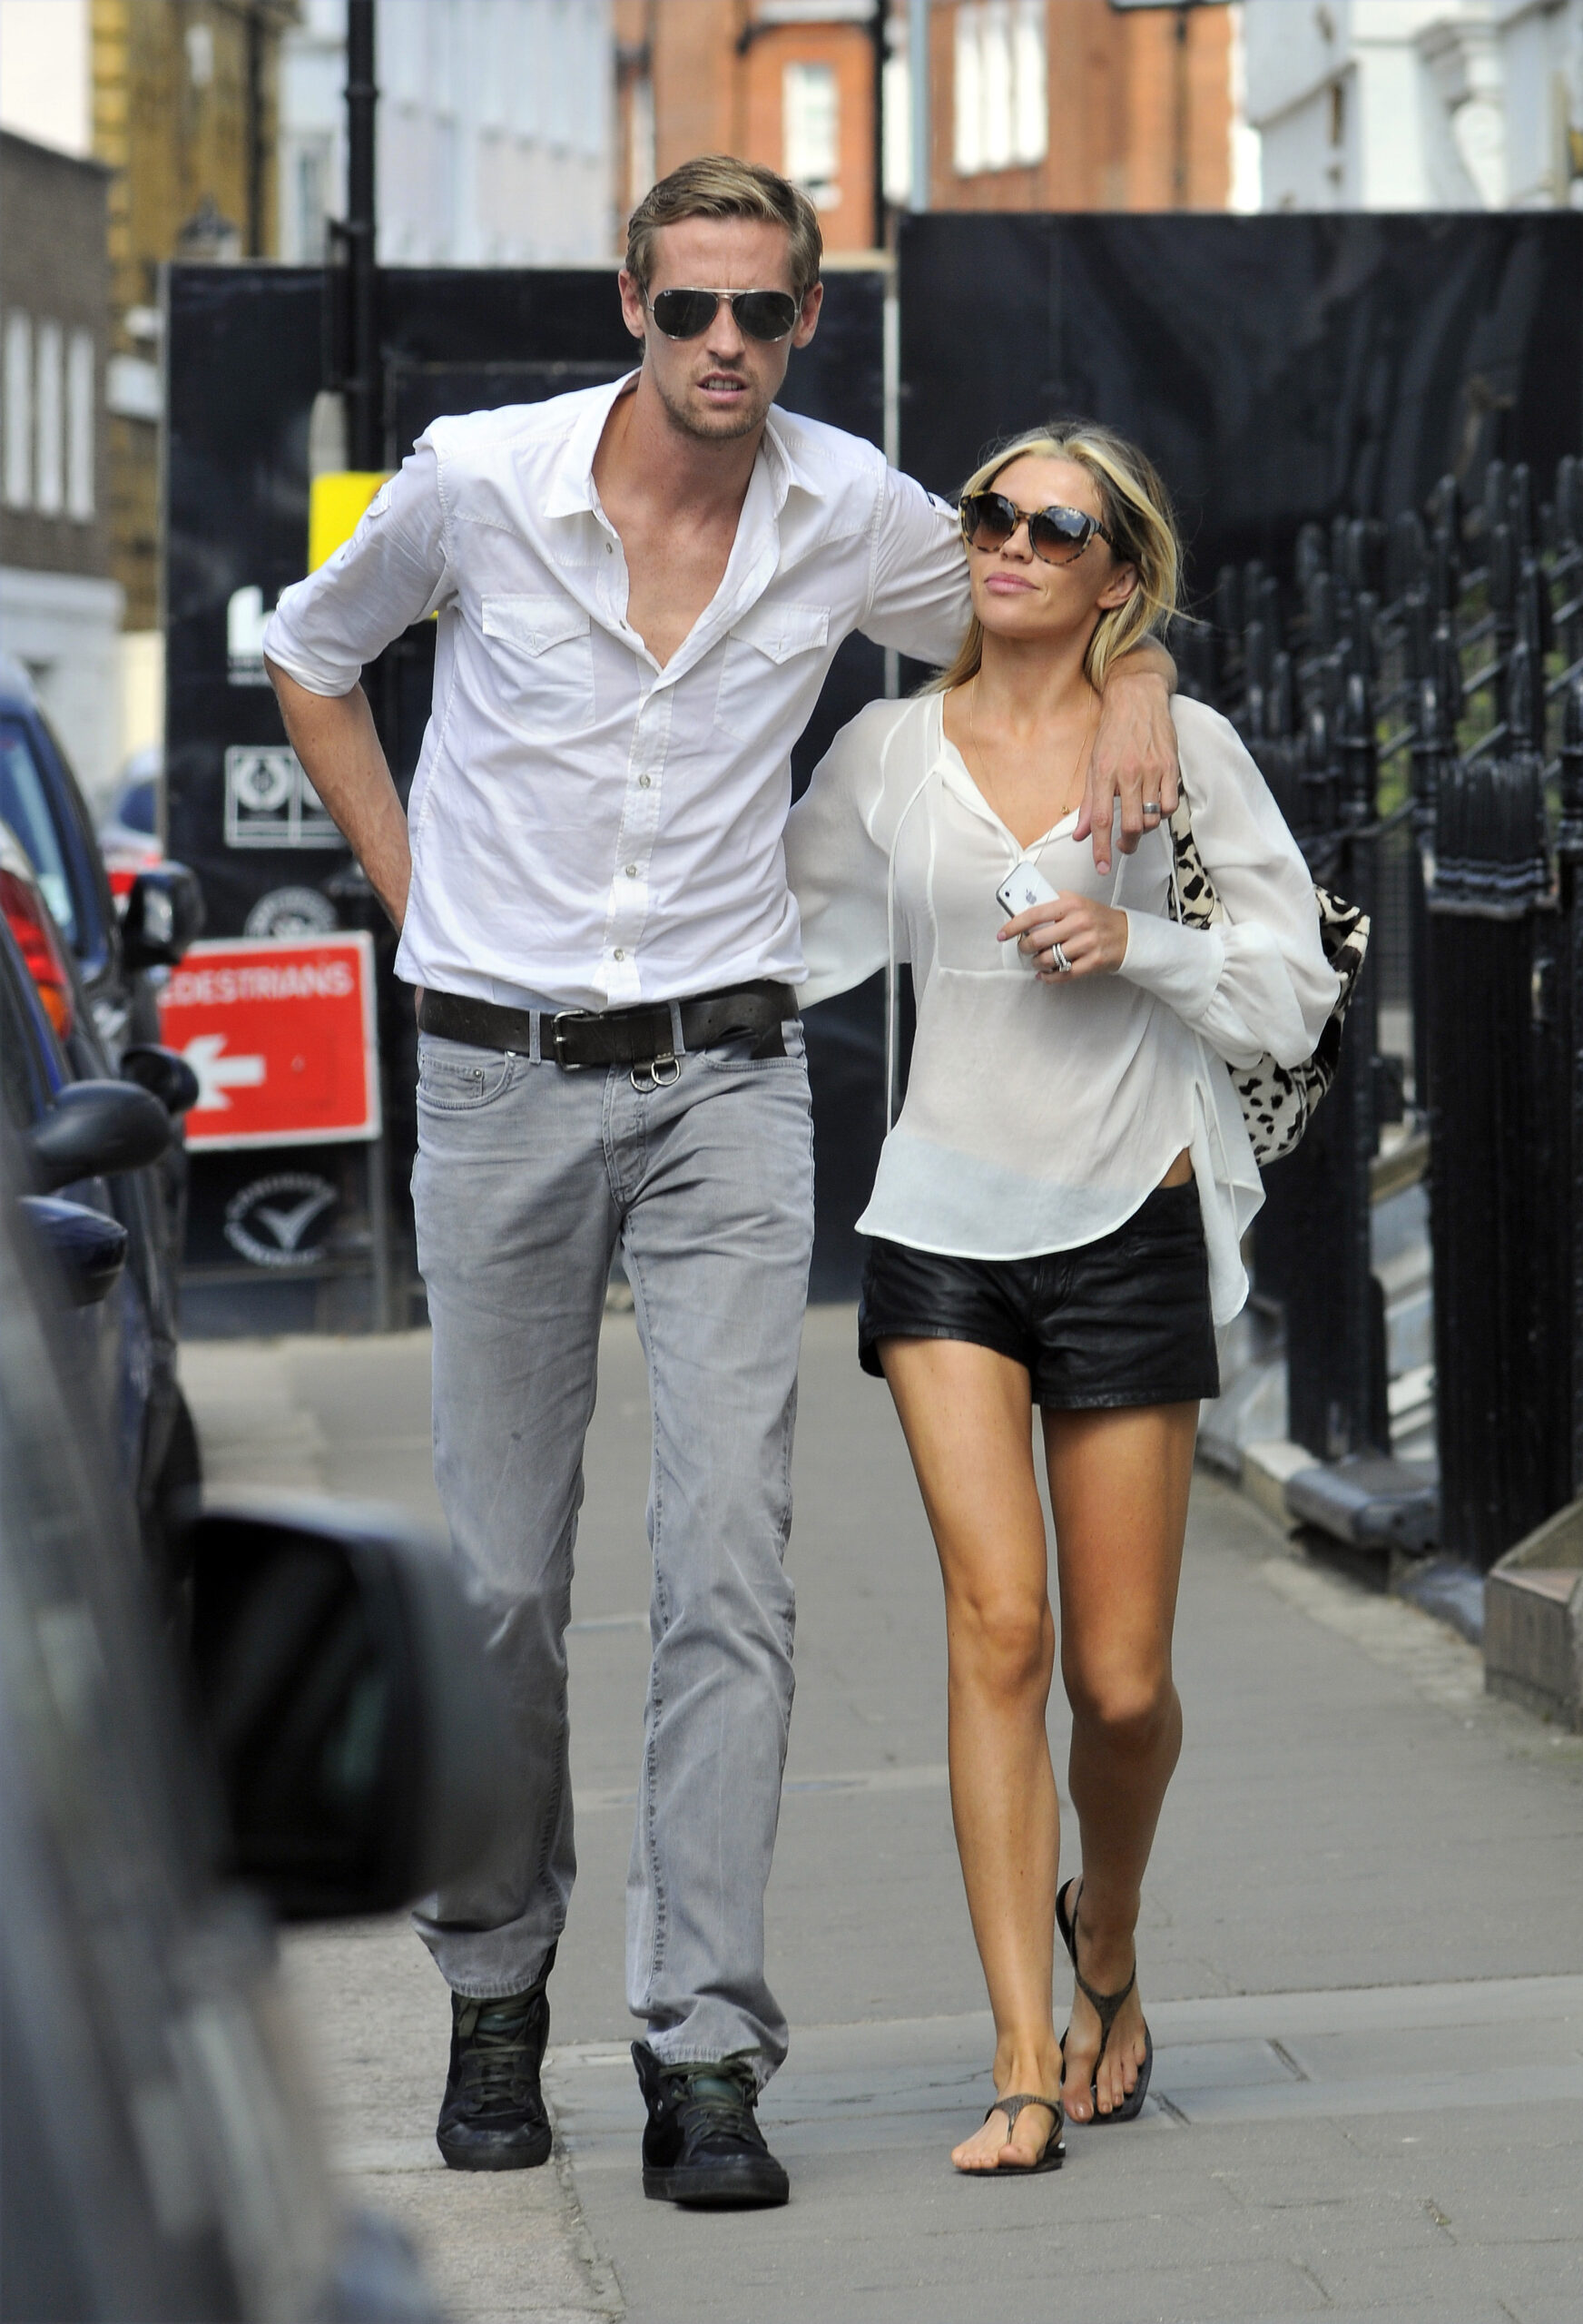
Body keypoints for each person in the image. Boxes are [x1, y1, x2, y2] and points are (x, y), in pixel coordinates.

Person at [262, 161, 1181, 2211]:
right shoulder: (478, 483)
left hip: (726, 1085)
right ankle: (495, 1990)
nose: (724, 347)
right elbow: (312, 657)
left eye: (762, 312)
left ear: (806, 321)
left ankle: (702, 2048)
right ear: (629, 303)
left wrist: (1130, 674)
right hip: (496, 1078)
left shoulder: (850, 508)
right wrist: (417, 904)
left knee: (729, 1572)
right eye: (689, 308)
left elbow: (1036, 601)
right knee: (503, 1581)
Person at [785, 423, 1340, 2175]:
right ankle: (1021, 2052)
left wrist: (1139, 942)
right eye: (989, 513)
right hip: (940, 1226)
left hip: (1126, 1217)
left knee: (1118, 1683)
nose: (1010, 542)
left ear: (1119, 575)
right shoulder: (885, 754)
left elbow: (1294, 993)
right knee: (998, 1631)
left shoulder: (1180, 747)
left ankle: (1110, 1928)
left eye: (1054, 525)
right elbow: (772, 931)